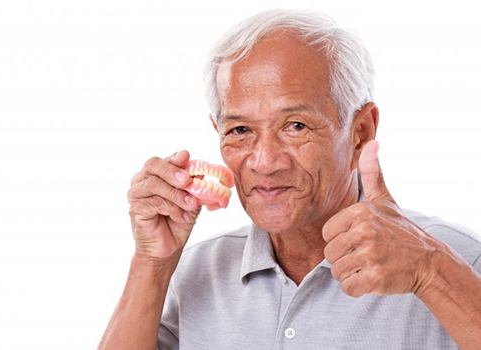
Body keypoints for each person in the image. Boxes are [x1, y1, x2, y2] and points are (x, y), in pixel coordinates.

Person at [98, 9, 481, 349]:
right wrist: (152, 265)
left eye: (296, 126)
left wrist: (432, 273)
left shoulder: (457, 260)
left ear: (361, 131)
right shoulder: (198, 270)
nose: (265, 162)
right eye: (240, 130)